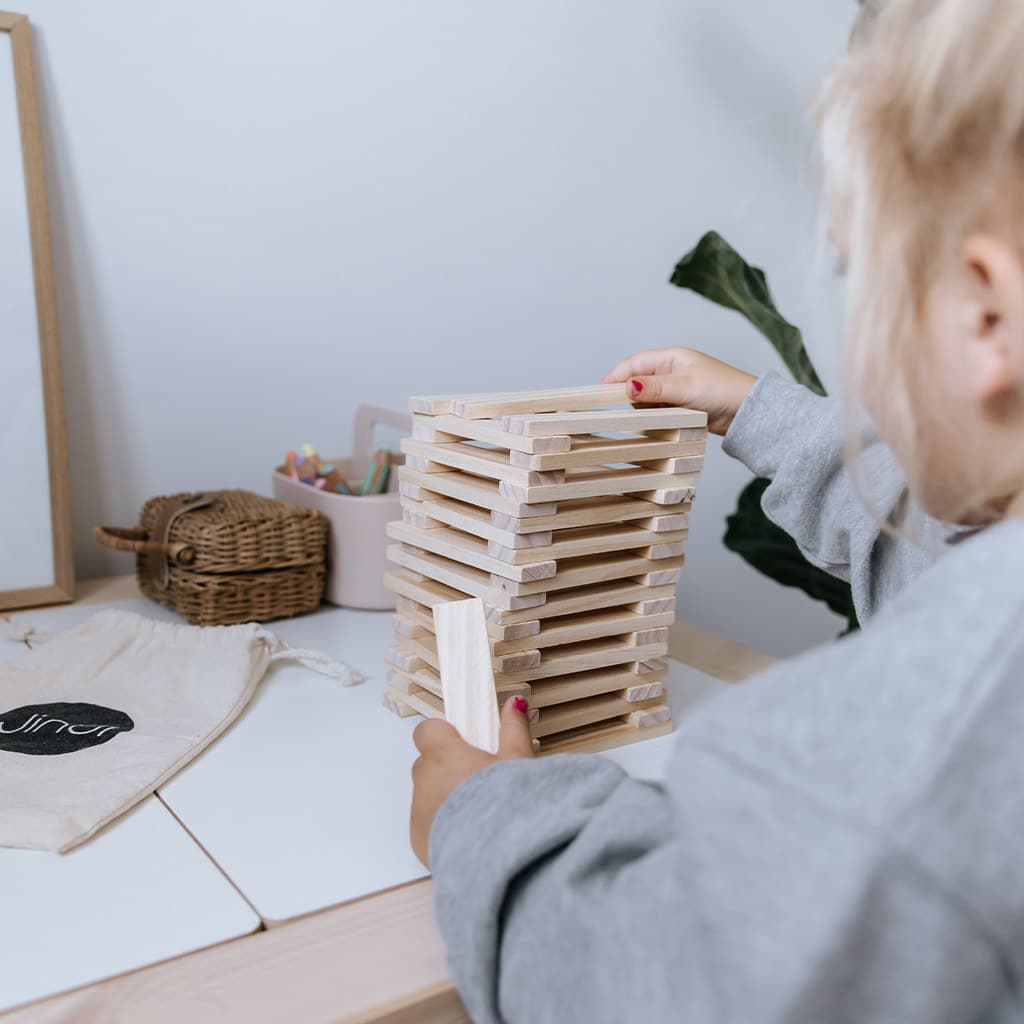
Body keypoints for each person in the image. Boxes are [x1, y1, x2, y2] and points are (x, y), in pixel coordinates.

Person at [410, 1, 1024, 1020]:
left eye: (852, 269)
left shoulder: (936, 745)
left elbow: (637, 978)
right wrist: (752, 406)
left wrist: (481, 822)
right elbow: (941, 549)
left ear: (985, 311)